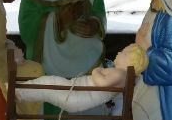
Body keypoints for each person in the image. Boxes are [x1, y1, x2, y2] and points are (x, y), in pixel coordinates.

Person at [17, 43, 148, 112]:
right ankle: (20, 92)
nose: (119, 52)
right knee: (48, 84)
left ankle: (18, 93)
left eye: (124, 53)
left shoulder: (120, 73)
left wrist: (96, 71)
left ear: (130, 62)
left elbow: (102, 83)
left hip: (75, 96)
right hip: (75, 93)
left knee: (48, 83)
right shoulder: (122, 75)